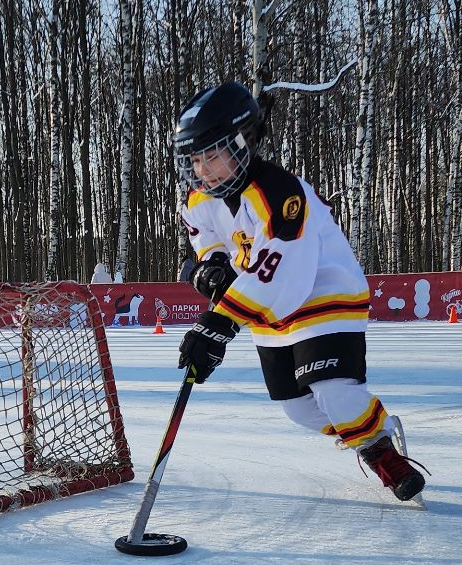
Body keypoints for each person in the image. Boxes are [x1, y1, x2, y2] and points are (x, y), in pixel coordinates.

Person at [171, 81, 426, 504]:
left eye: (212, 155)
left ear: (243, 142)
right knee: (299, 408)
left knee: (332, 389)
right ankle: (368, 426)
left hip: (323, 294)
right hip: (270, 312)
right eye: (195, 159)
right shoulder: (199, 199)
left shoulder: (281, 192)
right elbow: (209, 240)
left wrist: (218, 323)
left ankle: (380, 452)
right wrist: (211, 267)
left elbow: (282, 270)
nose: (203, 169)